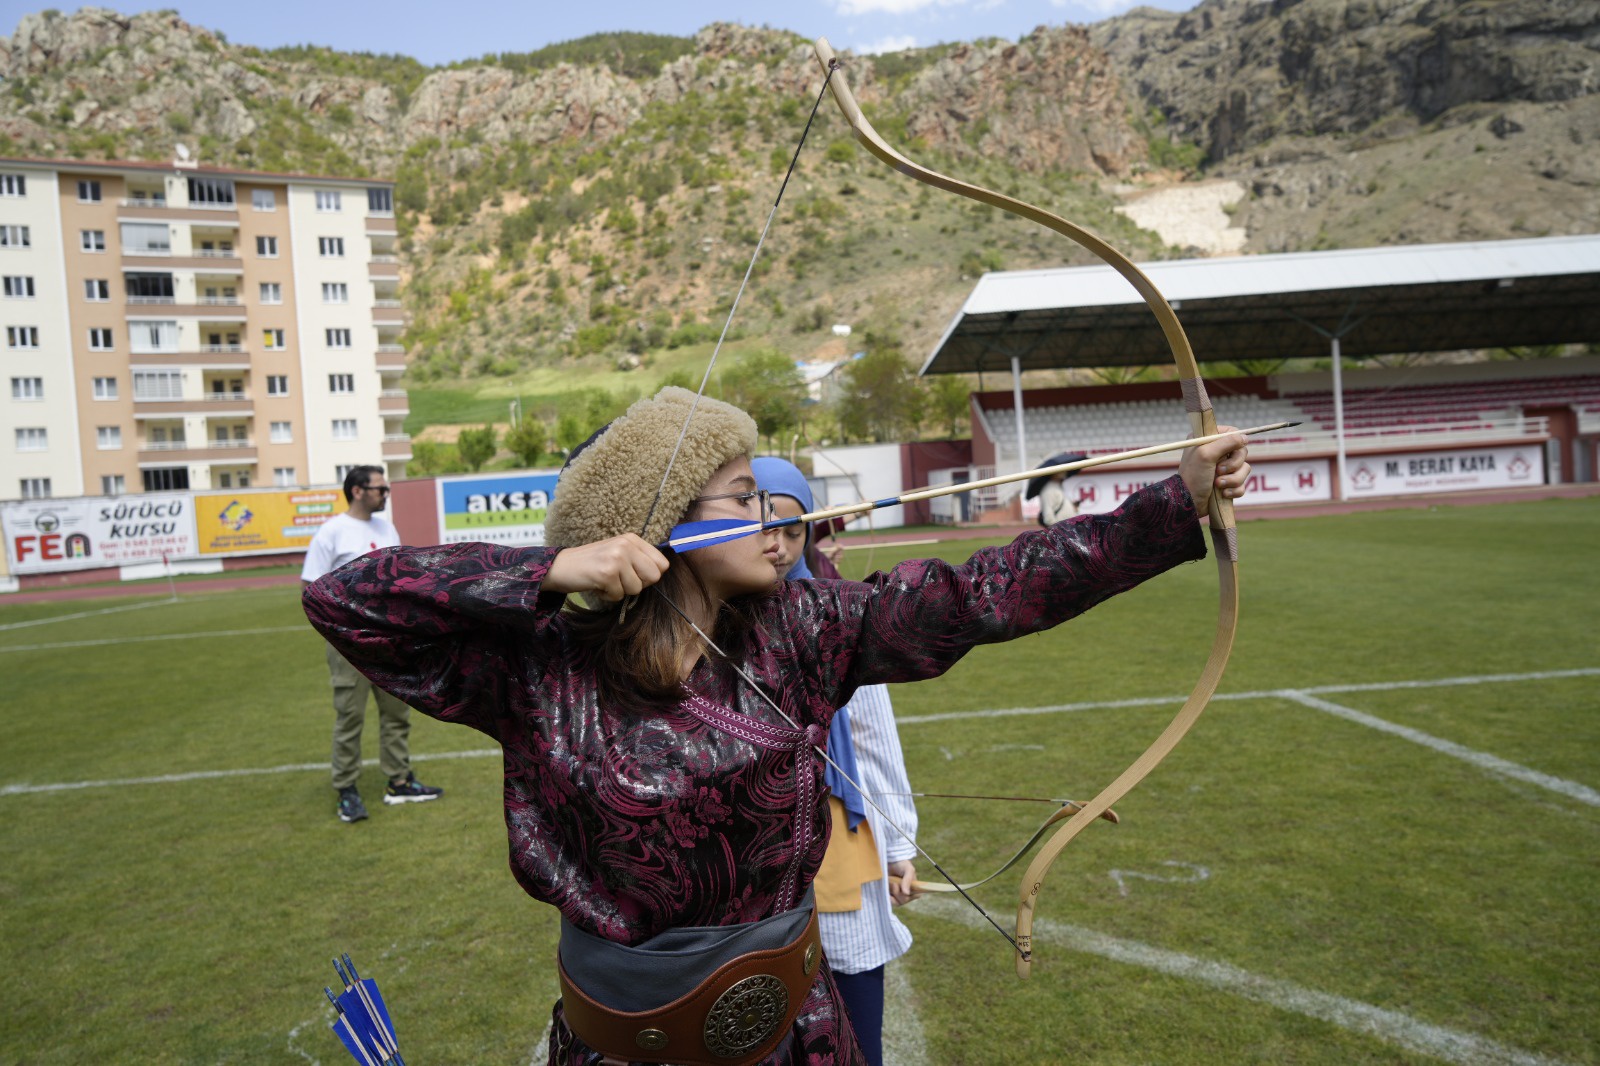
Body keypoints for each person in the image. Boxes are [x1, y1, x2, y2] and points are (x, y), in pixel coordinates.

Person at [302, 385, 1251, 1064]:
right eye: (744, 498)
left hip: (792, 1036)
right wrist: (549, 573)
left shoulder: (805, 629)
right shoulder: (539, 664)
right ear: (660, 523)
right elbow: (344, 601)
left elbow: (981, 596)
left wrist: (1173, 507)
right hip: (624, 1048)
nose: (777, 520)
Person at [751, 457, 918, 1066]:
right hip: (752, 870)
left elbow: (875, 740)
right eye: (759, 525)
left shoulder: (835, 617)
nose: (775, 545)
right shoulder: (702, 623)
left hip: (837, 851)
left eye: (792, 531)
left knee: (853, 1036)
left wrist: (900, 846)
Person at [300, 465, 442, 824]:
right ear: (357, 491)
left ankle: (399, 781)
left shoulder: (386, 527)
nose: (385, 494)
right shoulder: (331, 532)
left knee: (397, 713)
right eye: (379, 489)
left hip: (390, 637)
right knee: (350, 717)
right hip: (348, 642)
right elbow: (310, 590)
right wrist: (336, 632)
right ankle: (346, 790)